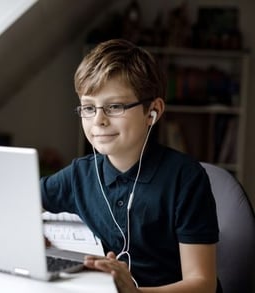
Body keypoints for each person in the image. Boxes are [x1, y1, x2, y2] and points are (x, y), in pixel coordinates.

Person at [40, 39, 221, 293]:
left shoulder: (185, 179)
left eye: (114, 107)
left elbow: (203, 284)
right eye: (89, 108)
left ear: (153, 112)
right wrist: (31, 239)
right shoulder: (80, 174)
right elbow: (22, 201)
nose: (99, 120)